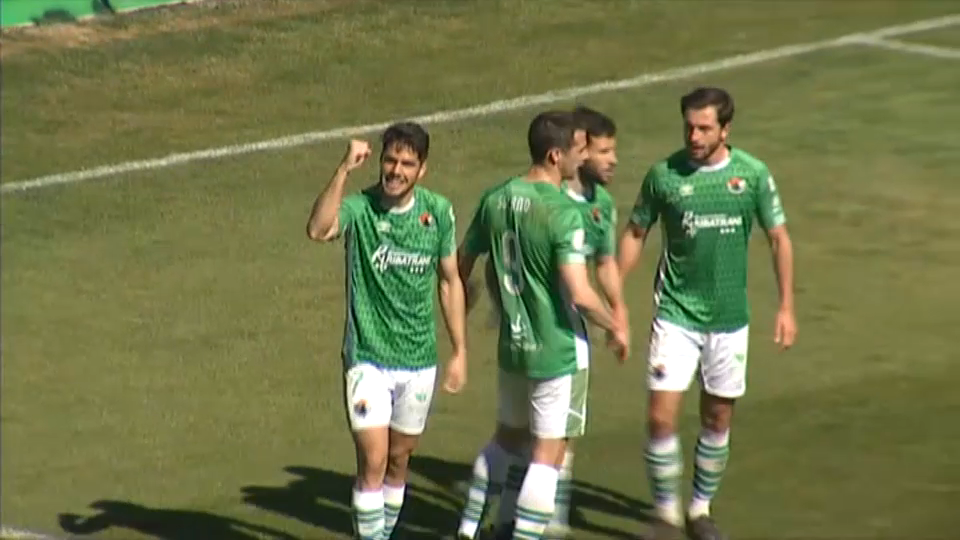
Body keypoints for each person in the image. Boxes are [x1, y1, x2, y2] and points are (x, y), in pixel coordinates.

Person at [618, 87, 796, 540]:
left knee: (717, 418)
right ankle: (666, 514)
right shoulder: (665, 176)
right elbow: (636, 231)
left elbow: (779, 238)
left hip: (729, 320)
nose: (694, 135)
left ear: (725, 129)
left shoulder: (751, 175)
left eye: (704, 128)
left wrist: (786, 306)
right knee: (661, 417)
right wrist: (614, 295)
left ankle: (699, 510)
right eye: (689, 127)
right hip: (675, 315)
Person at [456, 110, 629, 540]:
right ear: (555, 155)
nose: (583, 157)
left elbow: (460, 264)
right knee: (548, 456)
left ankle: (467, 528)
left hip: (513, 348)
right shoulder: (562, 213)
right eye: (579, 150)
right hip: (557, 350)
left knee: (504, 441)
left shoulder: (495, 198)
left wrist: (467, 295)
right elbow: (579, 293)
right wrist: (614, 325)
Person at [305, 122, 468, 540]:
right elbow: (318, 229)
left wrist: (460, 350)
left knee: (399, 461)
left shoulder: (438, 213)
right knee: (374, 461)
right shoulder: (361, 209)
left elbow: (449, 280)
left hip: (418, 361)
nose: (396, 170)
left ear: (422, 169)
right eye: (390, 160)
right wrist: (343, 170)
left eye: (407, 163)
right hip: (368, 358)